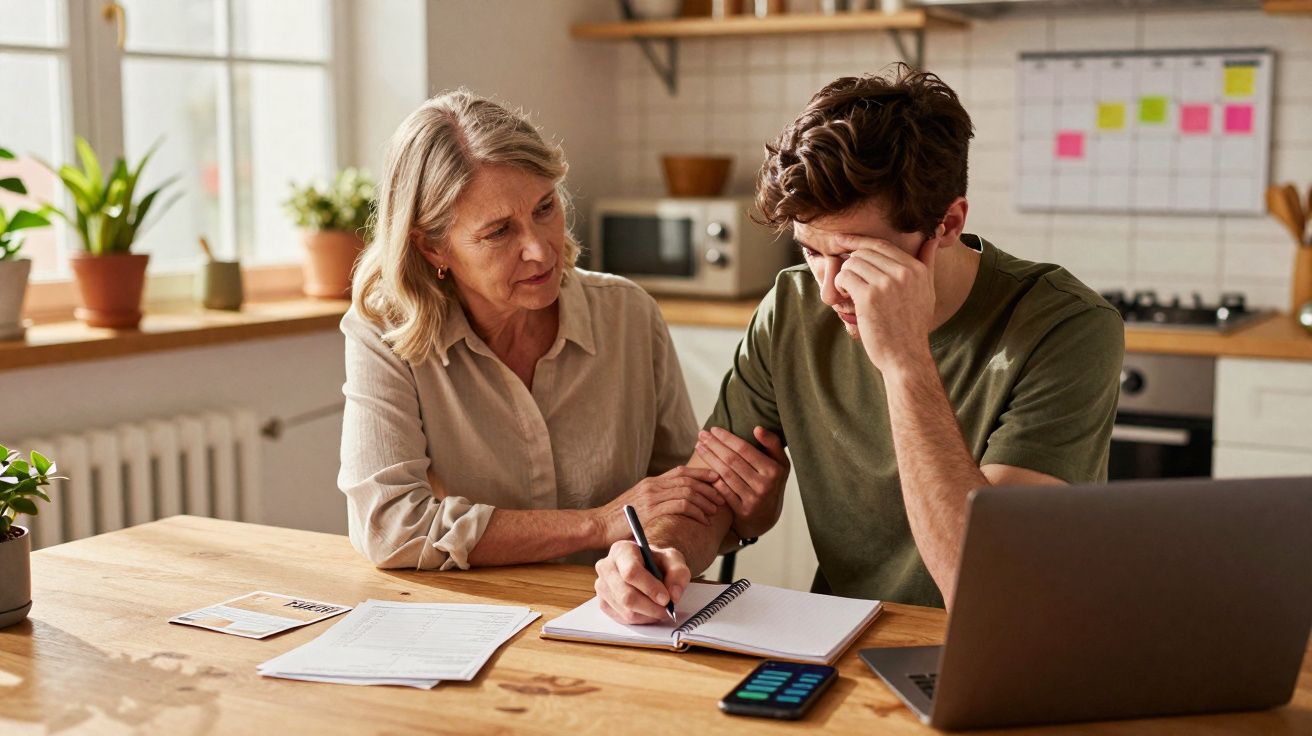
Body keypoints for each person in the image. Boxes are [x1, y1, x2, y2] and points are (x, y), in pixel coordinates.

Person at [593, 65, 1124, 621]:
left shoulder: (1067, 326)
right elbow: (712, 496)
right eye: (810, 251)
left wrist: (905, 361)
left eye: (856, 256)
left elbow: (988, 589)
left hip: (999, 645)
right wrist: (660, 556)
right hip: (842, 634)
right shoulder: (792, 305)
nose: (828, 291)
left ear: (947, 224)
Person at [339, 89, 725, 570]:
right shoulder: (385, 334)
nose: (541, 250)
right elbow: (389, 527)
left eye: (545, 208)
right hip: (476, 610)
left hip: (613, 607)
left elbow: (683, 497)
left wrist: (656, 563)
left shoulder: (629, 315)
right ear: (432, 248)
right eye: (499, 232)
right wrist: (597, 524)